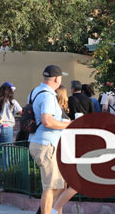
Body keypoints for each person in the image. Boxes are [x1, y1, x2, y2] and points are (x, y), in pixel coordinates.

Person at [28, 65, 77, 214]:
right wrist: (69, 124)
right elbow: (47, 121)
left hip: (41, 142)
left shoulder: (35, 92)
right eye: (61, 77)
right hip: (47, 144)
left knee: (59, 186)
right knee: (51, 187)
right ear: (56, 78)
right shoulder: (48, 96)